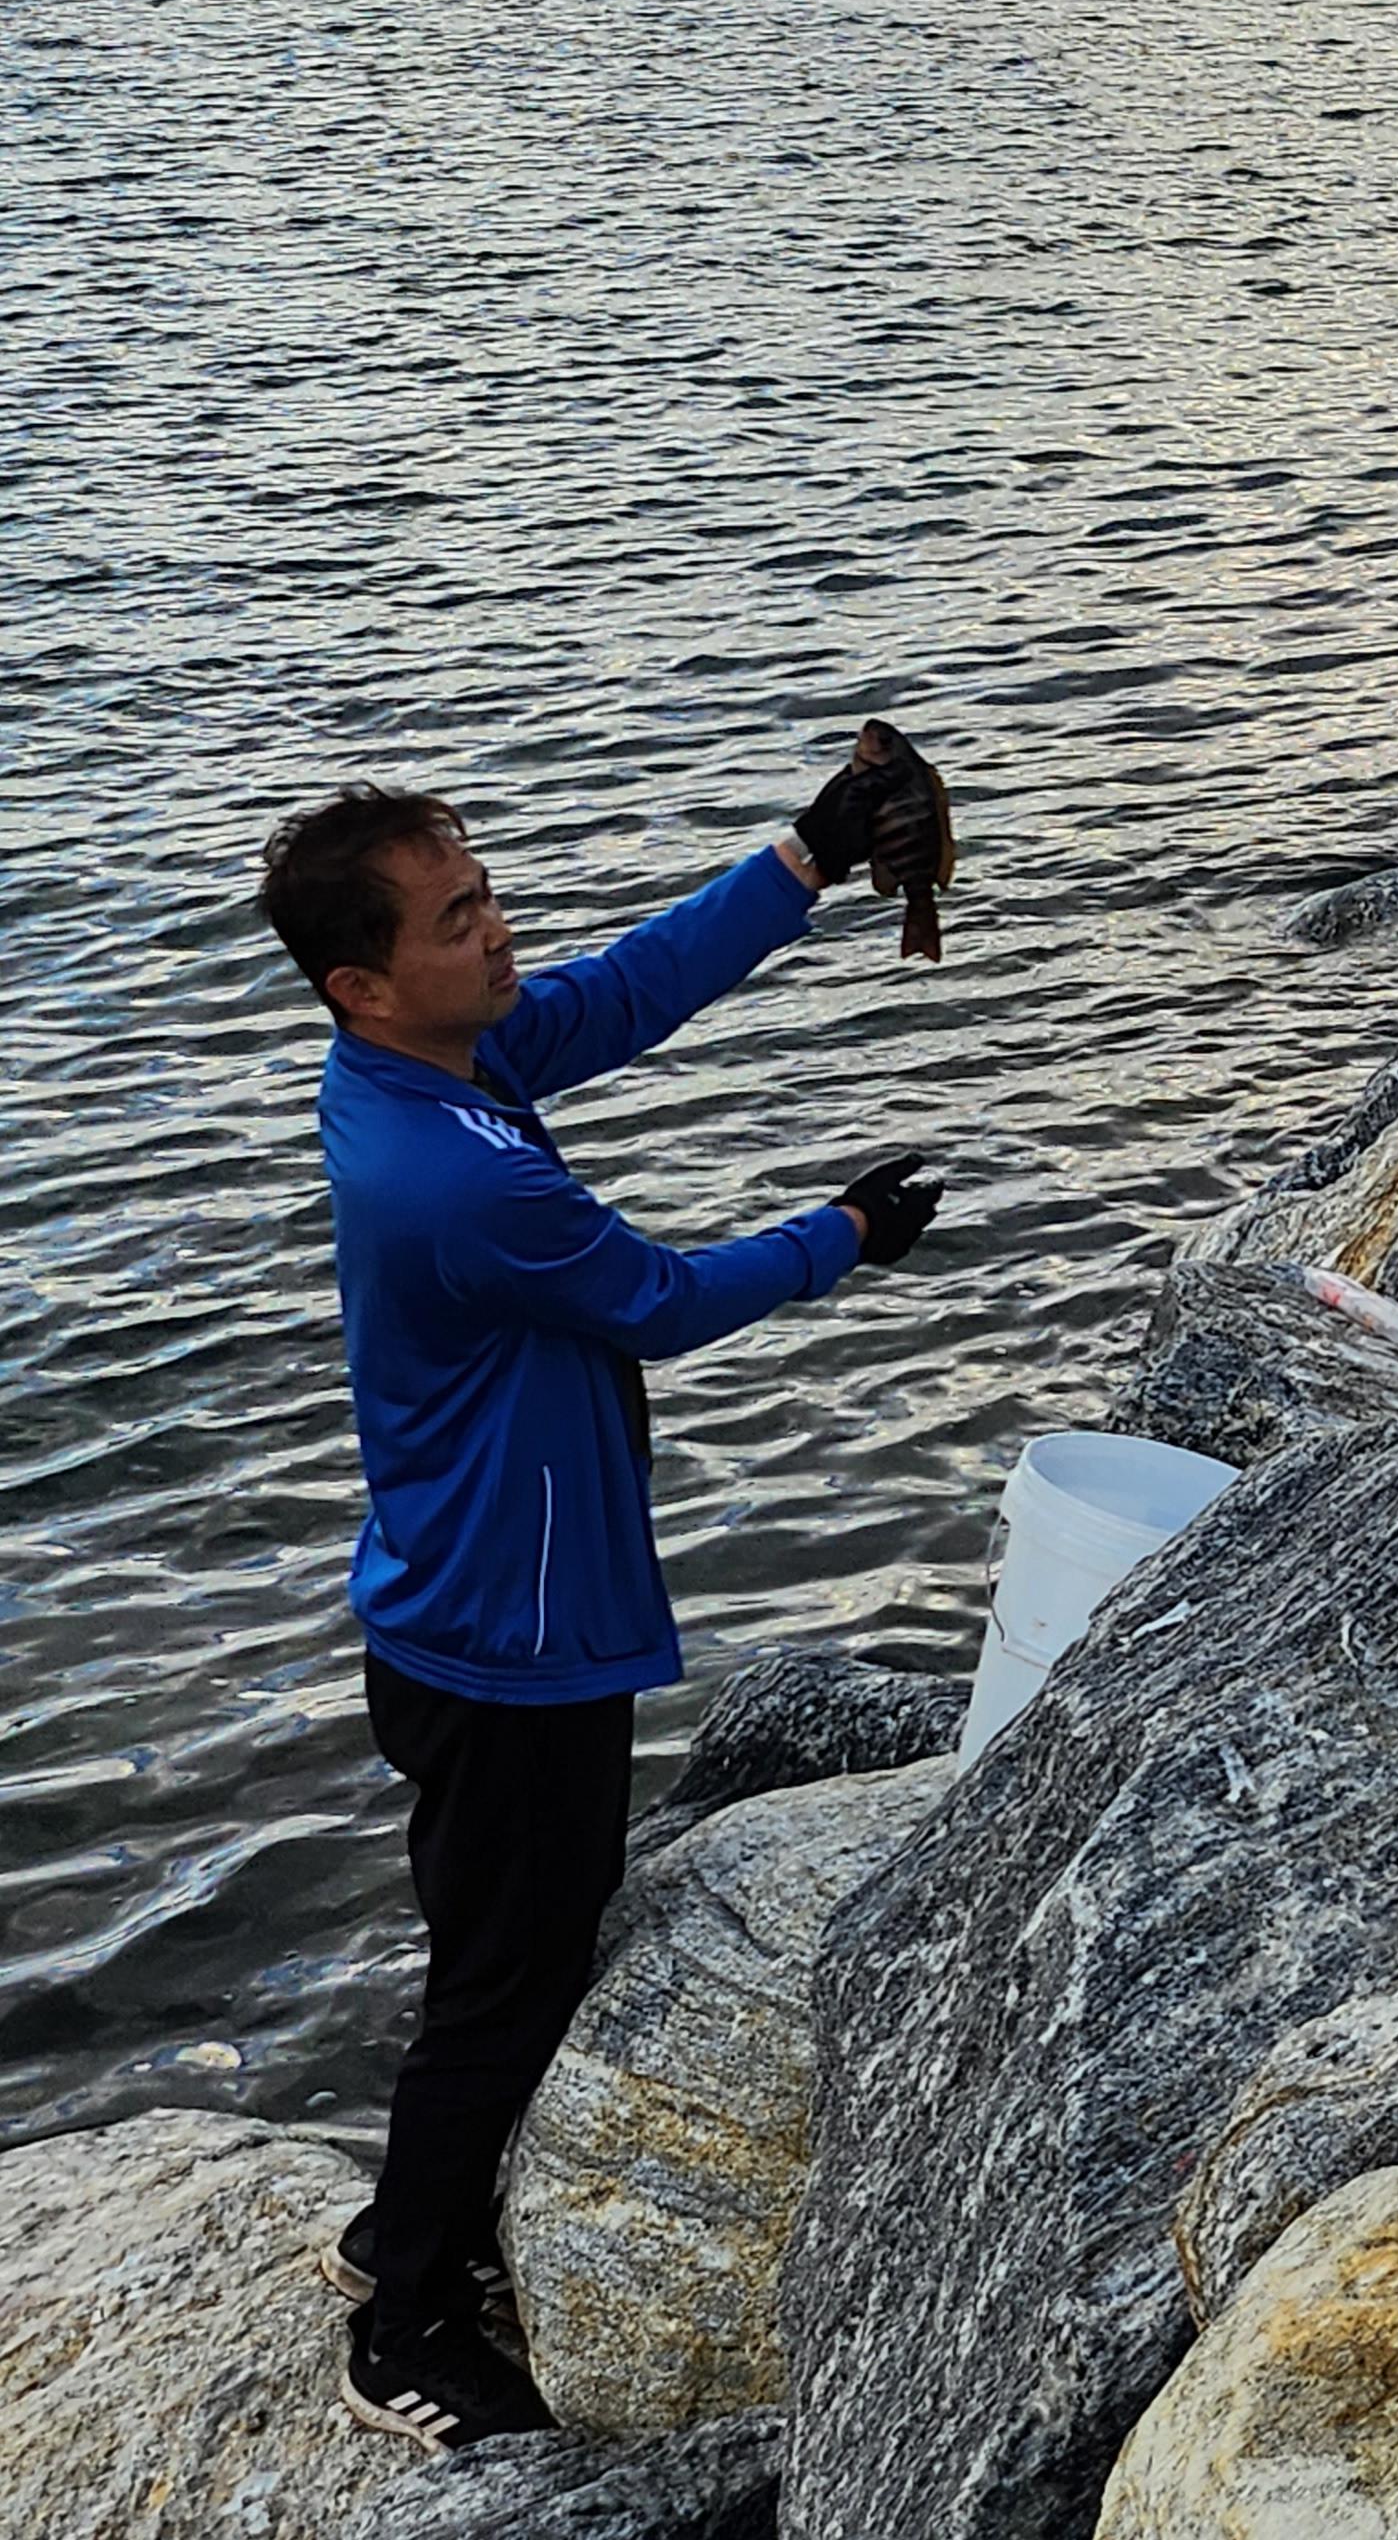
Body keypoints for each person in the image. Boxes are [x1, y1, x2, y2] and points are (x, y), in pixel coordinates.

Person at [254, 740, 952, 2456]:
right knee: (504, 1982)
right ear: (362, 983)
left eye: (485, 893)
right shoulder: (459, 1174)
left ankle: (407, 2228)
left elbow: (629, 991)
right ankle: (403, 2320)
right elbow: (656, 1300)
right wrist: (845, 1233)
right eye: (457, 918)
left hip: (473, 1607)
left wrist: (803, 856)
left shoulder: (430, 1070)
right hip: (509, 1645)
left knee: (504, 1954)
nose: (498, 931)